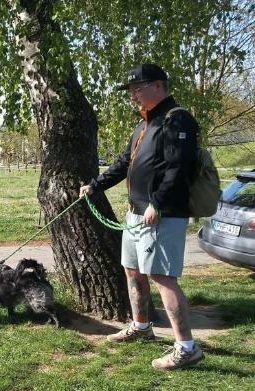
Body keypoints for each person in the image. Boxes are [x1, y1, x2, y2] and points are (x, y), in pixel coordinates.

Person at [79, 63, 203, 370]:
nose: (133, 95)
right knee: (132, 270)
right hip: (136, 213)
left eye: (138, 89)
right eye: (131, 90)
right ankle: (141, 326)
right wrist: (96, 185)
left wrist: (156, 203)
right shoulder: (145, 123)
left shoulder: (177, 119)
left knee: (162, 276)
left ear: (158, 85)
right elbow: (125, 162)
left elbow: (178, 167)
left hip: (161, 214)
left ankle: (187, 348)